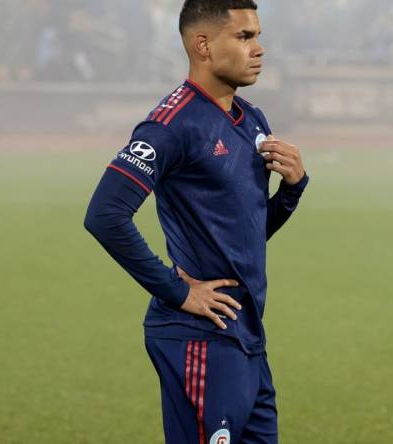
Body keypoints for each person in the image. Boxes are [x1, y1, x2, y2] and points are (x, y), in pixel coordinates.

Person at [83, 1, 309, 443]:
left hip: (244, 334)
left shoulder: (252, 119)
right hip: (198, 338)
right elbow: (105, 214)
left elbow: (246, 233)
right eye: (244, 37)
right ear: (202, 44)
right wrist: (176, 289)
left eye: (258, 35)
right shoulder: (170, 124)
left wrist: (292, 190)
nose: (259, 49)